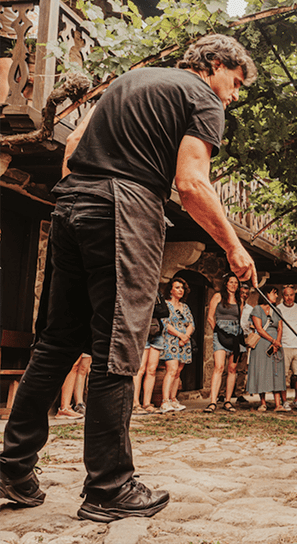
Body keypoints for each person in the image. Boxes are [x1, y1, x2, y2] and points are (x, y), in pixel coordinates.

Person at [0, 34, 257, 521]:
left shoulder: (128, 81)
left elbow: (74, 146)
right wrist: (233, 246)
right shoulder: (201, 97)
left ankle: (12, 467)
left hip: (72, 200)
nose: (235, 94)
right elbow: (190, 183)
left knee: (57, 342)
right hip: (126, 207)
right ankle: (109, 487)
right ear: (216, 64)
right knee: (119, 344)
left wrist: (85, 195)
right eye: (236, 82)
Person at [206, 273, 244, 413]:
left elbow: (239, 319)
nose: (233, 285)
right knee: (219, 366)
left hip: (235, 333)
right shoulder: (218, 296)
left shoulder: (240, 299)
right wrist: (217, 332)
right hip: (220, 332)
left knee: (232, 368)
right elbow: (210, 317)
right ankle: (213, 401)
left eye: (236, 283)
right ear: (226, 284)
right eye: (231, 282)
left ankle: (228, 401)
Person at [247, 286, 286, 411]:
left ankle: (277, 404)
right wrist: (273, 341)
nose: (276, 296)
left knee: (276, 371)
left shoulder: (277, 310)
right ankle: (262, 402)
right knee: (261, 371)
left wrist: (277, 343)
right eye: (274, 293)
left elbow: (280, 327)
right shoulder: (257, 309)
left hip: (276, 343)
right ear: (266, 294)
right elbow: (259, 329)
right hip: (262, 343)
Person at [159, 277, 194, 413]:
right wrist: (180, 335)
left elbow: (191, 323)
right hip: (170, 341)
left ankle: (174, 399)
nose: (180, 290)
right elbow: (165, 323)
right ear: (171, 290)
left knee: (178, 371)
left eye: (182, 288)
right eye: (177, 287)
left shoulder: (185, 307)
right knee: (171, 369)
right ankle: (165, 401)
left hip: (184, 342)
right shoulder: (166, 305)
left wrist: (185, 337)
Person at [132, 297, 166, 416]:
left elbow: (164, 312)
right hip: (142, 331)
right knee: (140, 369)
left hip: (156, 332)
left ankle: (147, 403)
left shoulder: (157, 294)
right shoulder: (139, 292)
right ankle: (135, 403)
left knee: (151, 370)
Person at [277, 285, 297, 411]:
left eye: (291, 295)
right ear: (283, 296)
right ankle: (284, 401)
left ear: (294, 295)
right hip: (284, 346)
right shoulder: (278, 309)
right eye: (286, 295)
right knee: (283, 376)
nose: (289, 298)